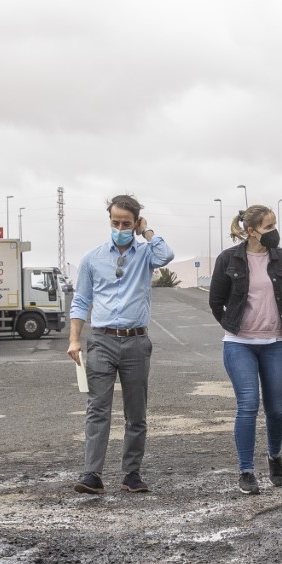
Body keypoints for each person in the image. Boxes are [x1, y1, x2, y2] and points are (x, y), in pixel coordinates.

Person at [68, 195, 175, 495]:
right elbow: (81, 301)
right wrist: (74, 339)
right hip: (101, 340)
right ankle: (92, 474)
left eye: (126, 223)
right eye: (115, 222)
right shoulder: (92, 258)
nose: (119, 228)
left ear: (136, 223)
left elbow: (166, 255)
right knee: (97, 409)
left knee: (136, 412)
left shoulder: (146, 254)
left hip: (136, 342)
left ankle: (131, 473)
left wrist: (147, 232)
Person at [209, 205, 282, 495]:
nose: (274, 232)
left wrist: (271, 324)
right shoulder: (228, 259)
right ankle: (246, 470)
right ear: (251, 231)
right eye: (268, 227)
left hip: (277, 344)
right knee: (248, 404)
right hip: (239, 344)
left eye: (274, 225)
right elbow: (215, 301)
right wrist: (235, 326)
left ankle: (274, 455)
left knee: (277, 410)